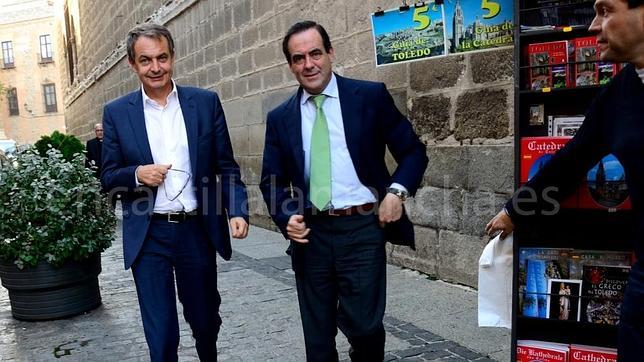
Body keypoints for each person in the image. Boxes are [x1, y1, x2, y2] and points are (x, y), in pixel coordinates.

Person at [260, 21, 428, 361]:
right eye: (298, 58)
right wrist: (284, 215)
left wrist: (396, 193)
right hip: (311, 234)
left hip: (363, 228)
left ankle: (354, 324)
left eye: (315, 53)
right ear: (291, 65)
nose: (309, 64)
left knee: (364, 326)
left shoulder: (368, 97)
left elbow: (413, 151)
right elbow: (272, 181)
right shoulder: (280, 118)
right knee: (318, 337)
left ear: (331, 53)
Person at [485, 0, 644, 359]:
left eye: (605, 11)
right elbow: (569, 162)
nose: (592, 26)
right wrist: (515, 211)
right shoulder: (619, 94)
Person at [101, 23, 249, 361]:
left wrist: (237, 209)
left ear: (173, 57)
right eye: (146, 60)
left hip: (195, 230)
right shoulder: (117, 114)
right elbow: (108, 176)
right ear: (132, 64)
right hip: (149, 233)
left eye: (162, 58)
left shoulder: (205, 102)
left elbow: (226, 166)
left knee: (205, 319)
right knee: (161, 332)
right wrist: (137, 173)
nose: (156, 68)